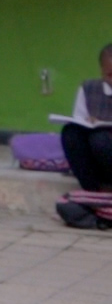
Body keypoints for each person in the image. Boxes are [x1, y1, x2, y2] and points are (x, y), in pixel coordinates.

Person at [61, 42, 112, 193]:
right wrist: (87, 121)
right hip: (97, 157)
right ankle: (93, 188)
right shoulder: (88, 88)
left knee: (100, 139)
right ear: (102, 71)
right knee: (71, 133)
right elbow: (79, 120)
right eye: (110, 75)